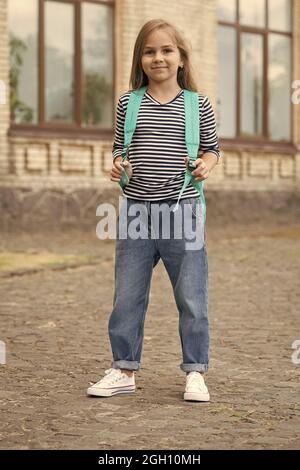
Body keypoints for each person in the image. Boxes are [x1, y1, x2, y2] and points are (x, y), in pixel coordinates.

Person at [87, 18, 220, 401]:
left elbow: (211, 148)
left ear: (181, 58)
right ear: (140, 58)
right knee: (127, 296)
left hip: (183, 210)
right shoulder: (128, 103)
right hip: (134, 213)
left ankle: (195, 371)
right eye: (149, 51)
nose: (157, 57)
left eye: (166, 50)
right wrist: (117, 164)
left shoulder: (199, 104)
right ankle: (123, 370)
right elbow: (119, 148)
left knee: (192, 297)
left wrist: (206, 165)